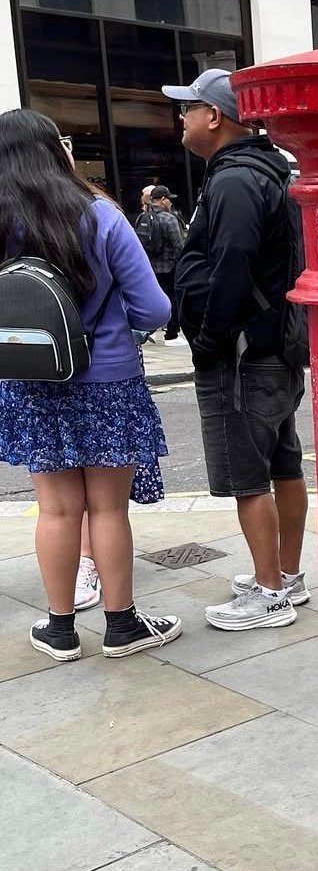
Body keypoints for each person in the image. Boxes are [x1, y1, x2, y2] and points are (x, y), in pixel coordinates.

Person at [0, 109, 182, 662]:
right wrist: (111, 328)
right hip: (107, 379)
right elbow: (154, 307)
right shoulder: (102, 214)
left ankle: (59, 630)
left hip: (31, 380)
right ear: (57, 152)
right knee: (107, 509)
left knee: (55, 510)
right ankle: (122, 625)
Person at [164, 68, 308, 631]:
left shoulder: (234, 180)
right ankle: (286, 576)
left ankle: (268, 593)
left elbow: (231, 267)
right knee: (283, 460)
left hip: (244, 352)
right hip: (275, 344)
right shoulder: (270, 172)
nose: (182, 118)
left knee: (249, 473)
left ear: (214, 116)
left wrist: (208, 340)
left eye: (188, 108)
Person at [135, 185, 186, 341]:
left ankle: (148, 330)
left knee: (152, 297)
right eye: (169, 199)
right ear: (163, 200)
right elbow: (179, 245)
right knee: (172, 299)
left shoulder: (142, 217)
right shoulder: (169, 218)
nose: (171, 203)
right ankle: (171, 333)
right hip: (169, 267)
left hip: (150, 267)